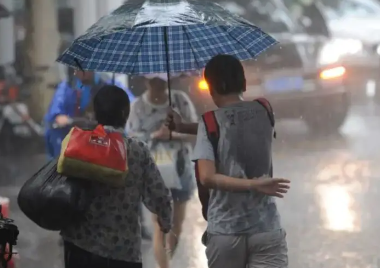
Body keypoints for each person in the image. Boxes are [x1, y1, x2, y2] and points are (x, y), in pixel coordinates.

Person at [166, 54, 291, 268]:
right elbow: (233, 127)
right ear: (243, 83)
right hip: (266, 227)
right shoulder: (264, 110)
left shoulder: (209, 121)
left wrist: (253, 184)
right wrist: (183, 126)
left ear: (211, 87)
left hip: (226, 231)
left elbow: (207, 177)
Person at [61, 85, 172, 268]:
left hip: (79, 246)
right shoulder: (137, 150)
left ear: (96, 113)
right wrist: (165, 221)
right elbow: (159, 196)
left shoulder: (79, 145)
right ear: (124, 113)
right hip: (122, 251)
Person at [126, 73, 198, 268]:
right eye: (154, 82)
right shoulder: (138, 107)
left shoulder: (179, 100)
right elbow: (131, 138)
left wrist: (174, 134)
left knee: (177, 226)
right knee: (160, 226)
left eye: (162, 82)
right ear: (145, 82)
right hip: (153, 173)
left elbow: (196, 131)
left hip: (181, 169)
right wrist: (155, 135)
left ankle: (165, 262)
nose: (158, 86)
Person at [44, 70, 135, 159]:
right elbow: (57, 113)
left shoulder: (106, 83)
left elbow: (131, 103)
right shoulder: (68, 86)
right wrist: (64, 118)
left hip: (102, 132)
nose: (83, 71)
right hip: (74, 131)